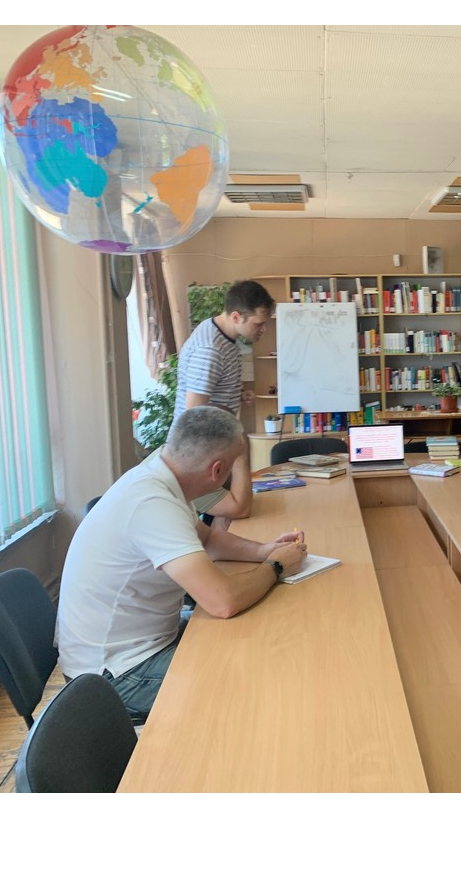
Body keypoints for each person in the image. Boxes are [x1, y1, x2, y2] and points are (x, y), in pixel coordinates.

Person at [57, 407, 307, 721]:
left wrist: (264, 550)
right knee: (254, 676)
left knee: (260, 638)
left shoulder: (161, 478)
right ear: (218, 471)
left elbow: (207, 538)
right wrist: (275, 567)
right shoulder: (152, 504)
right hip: (113, 675)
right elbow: (223, 602)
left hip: (140, 644)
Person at [174, 279, 275, 522]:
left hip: (215, 452)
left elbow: (210, 390)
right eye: (259, 324)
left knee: (230, 521)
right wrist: (237, 448)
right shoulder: (209, 350)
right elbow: (193, 416)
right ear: (237, 316)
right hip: (197, 459)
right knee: (233, 514)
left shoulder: (225, 339)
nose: (263, 330)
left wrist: (236, 394)